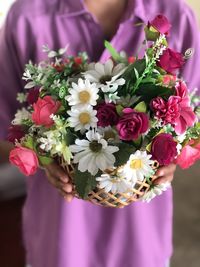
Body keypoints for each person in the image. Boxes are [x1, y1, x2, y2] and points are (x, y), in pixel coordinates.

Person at [0, 0, 199, 266]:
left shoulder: (177, 16)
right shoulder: (27, 18)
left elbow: (191, 123)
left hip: (140, 233)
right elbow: (8, 127)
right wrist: (44, 159)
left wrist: (171, 156)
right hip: (59, 233)